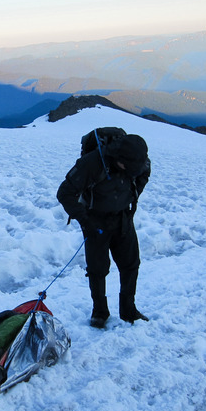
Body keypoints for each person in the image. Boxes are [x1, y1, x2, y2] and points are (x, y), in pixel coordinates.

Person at [56, 129, 150, 328]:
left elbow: (144, 173)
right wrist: (85, 221)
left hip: (123, 217)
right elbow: (64, 193)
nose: (132, 171)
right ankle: (100, 311)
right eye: (128, 167)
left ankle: (128, 310)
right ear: (118, 158)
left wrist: (132, 198)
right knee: (97, 269)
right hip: (95, 220)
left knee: (130, 264)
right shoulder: (91, 163)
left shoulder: (138, 161)